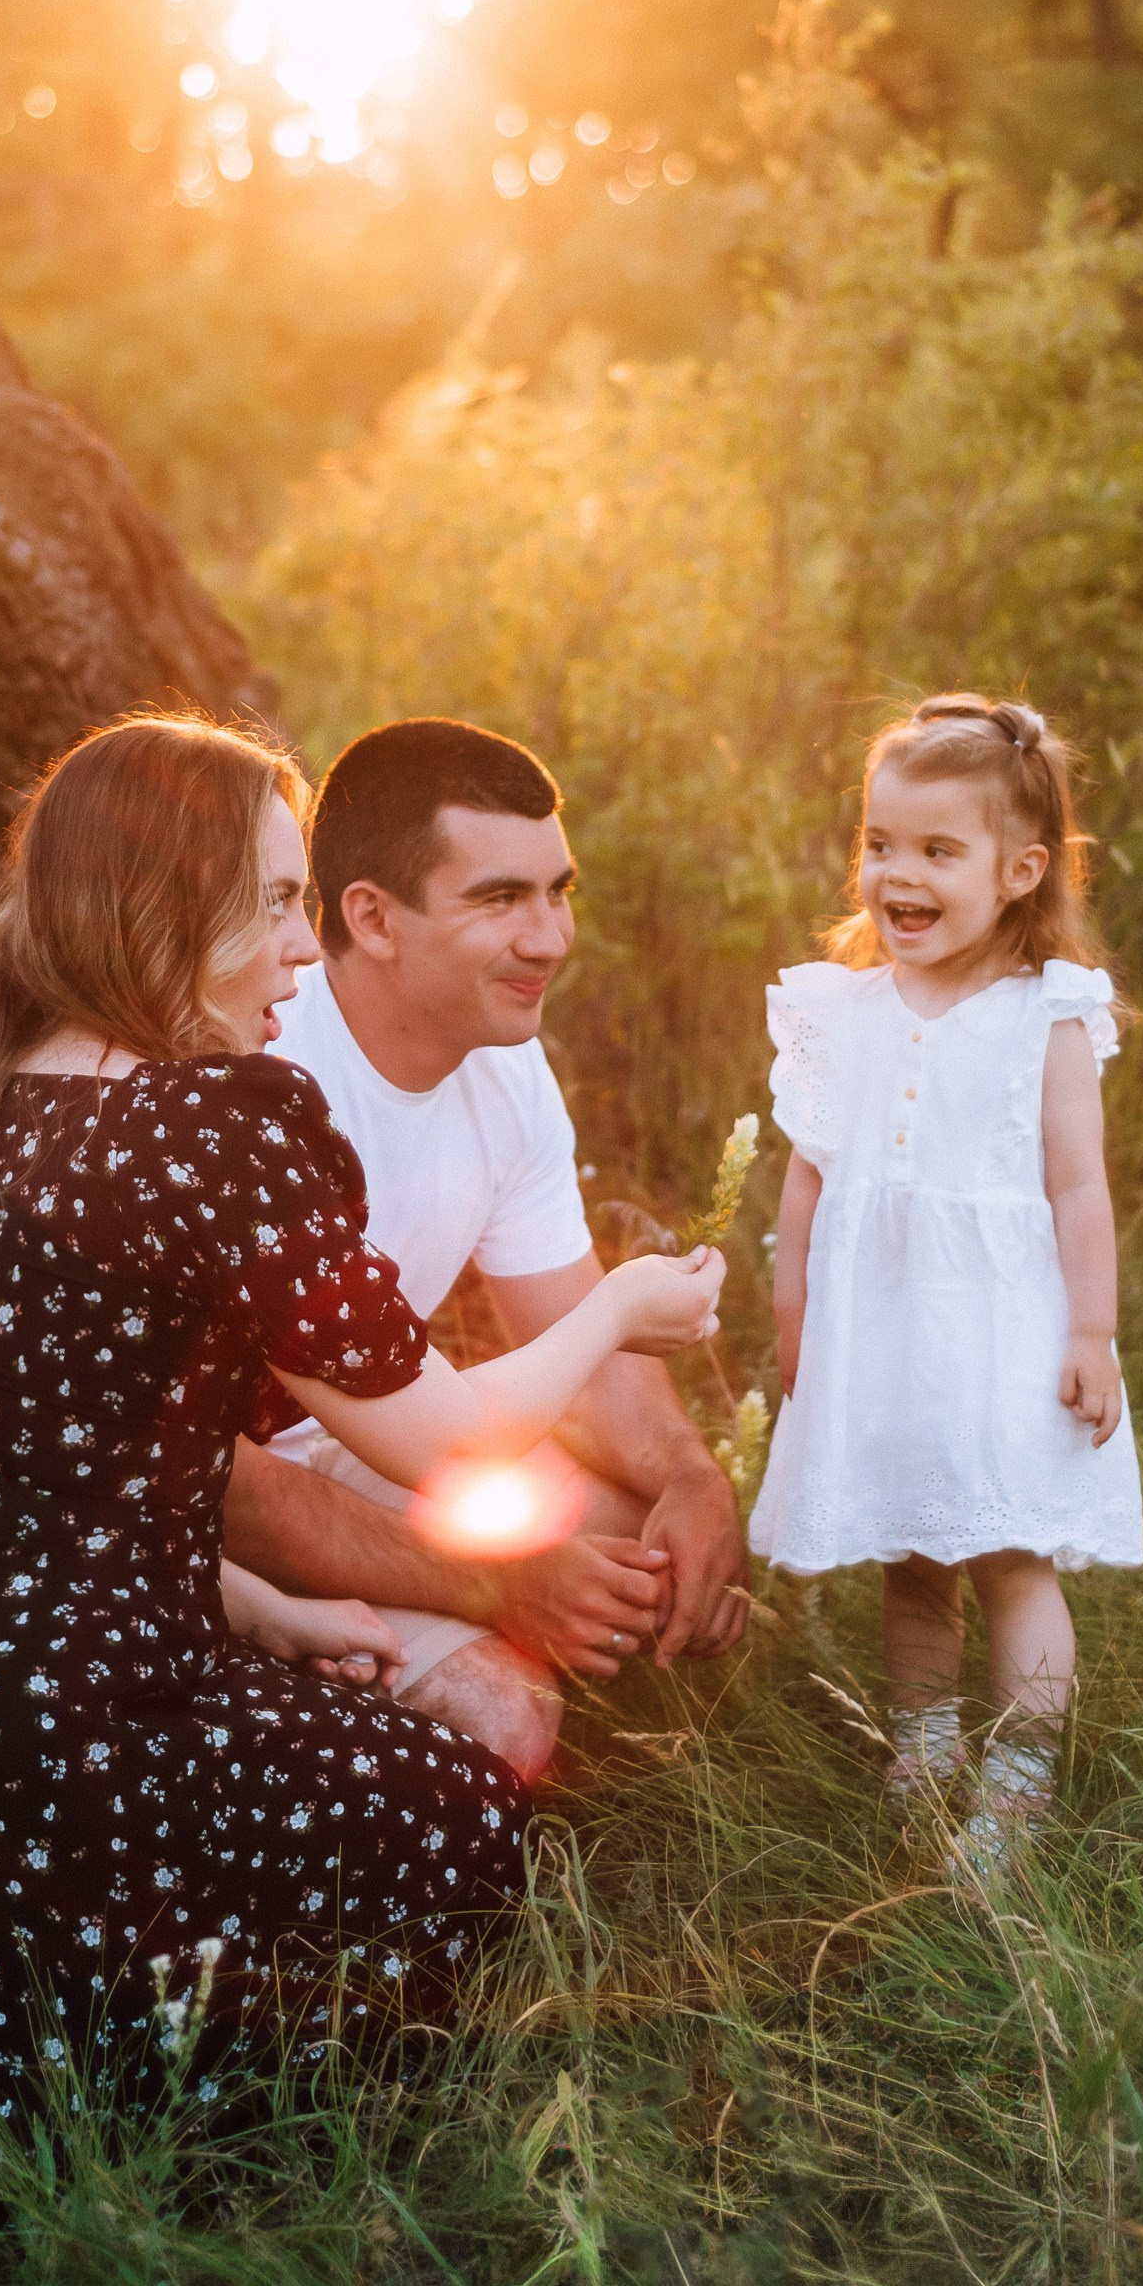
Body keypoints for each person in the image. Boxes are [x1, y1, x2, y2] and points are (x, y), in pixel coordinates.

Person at [0, 714, 724, 2257]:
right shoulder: (214, 1129)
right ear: (175, 911)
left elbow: (39, 1467)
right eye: (276, 904)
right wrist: (618, 1310)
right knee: (447, 1827)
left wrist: (263, 1616)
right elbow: (446, 1447)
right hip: (27, 1730)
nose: (300, 946)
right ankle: (172, 2134)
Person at [223, 718, 752, 1780]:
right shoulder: (255, 1068)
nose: (549, 938)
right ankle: (276, 1673)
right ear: (372, 917)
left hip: (394, 1440)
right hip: (208, 1509)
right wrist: (495, 1581)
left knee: (642, 1549)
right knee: (507, 1720)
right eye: (500, 899)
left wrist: (693, 1479)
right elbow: (223, 1482)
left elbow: (577, 1340)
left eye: (559, 891)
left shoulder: (505, 1067)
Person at [750, 695, 1143, 1869]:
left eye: (936, 850)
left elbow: (1079, 1186)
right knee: (911, 1555)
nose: (897, 875)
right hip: (879, 1334)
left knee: (1009, 1553)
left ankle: (1019, 1774)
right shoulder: (841, 1011)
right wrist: (795, 1324)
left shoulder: (1045, 1015)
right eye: (880, 844)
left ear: (1020, 872)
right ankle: (922, 1744)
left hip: (1000, 1335)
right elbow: (810, 1183)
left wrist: (1093, 1332)